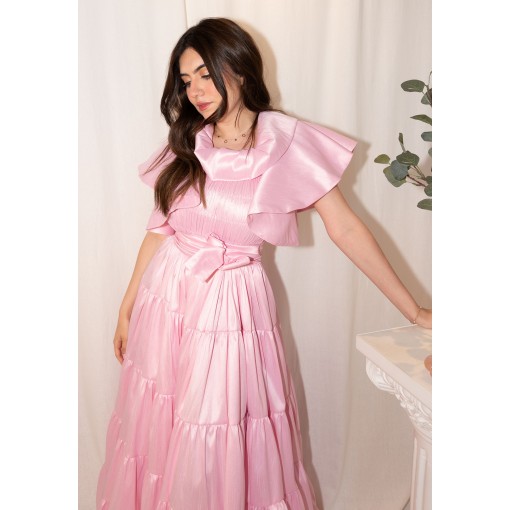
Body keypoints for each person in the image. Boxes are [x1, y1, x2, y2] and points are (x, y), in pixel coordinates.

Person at [96, 17, 432, 510]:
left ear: (238, 67)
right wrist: (127, 307)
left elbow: (346, 229)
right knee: (161, 427)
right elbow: (160, 228)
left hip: (232, 308)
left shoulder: (286, 143)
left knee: (217, 432)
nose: (195, 91)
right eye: (185, 81)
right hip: (165, 299)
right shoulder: (188, 141)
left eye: (205, 74)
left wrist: (414, 311)